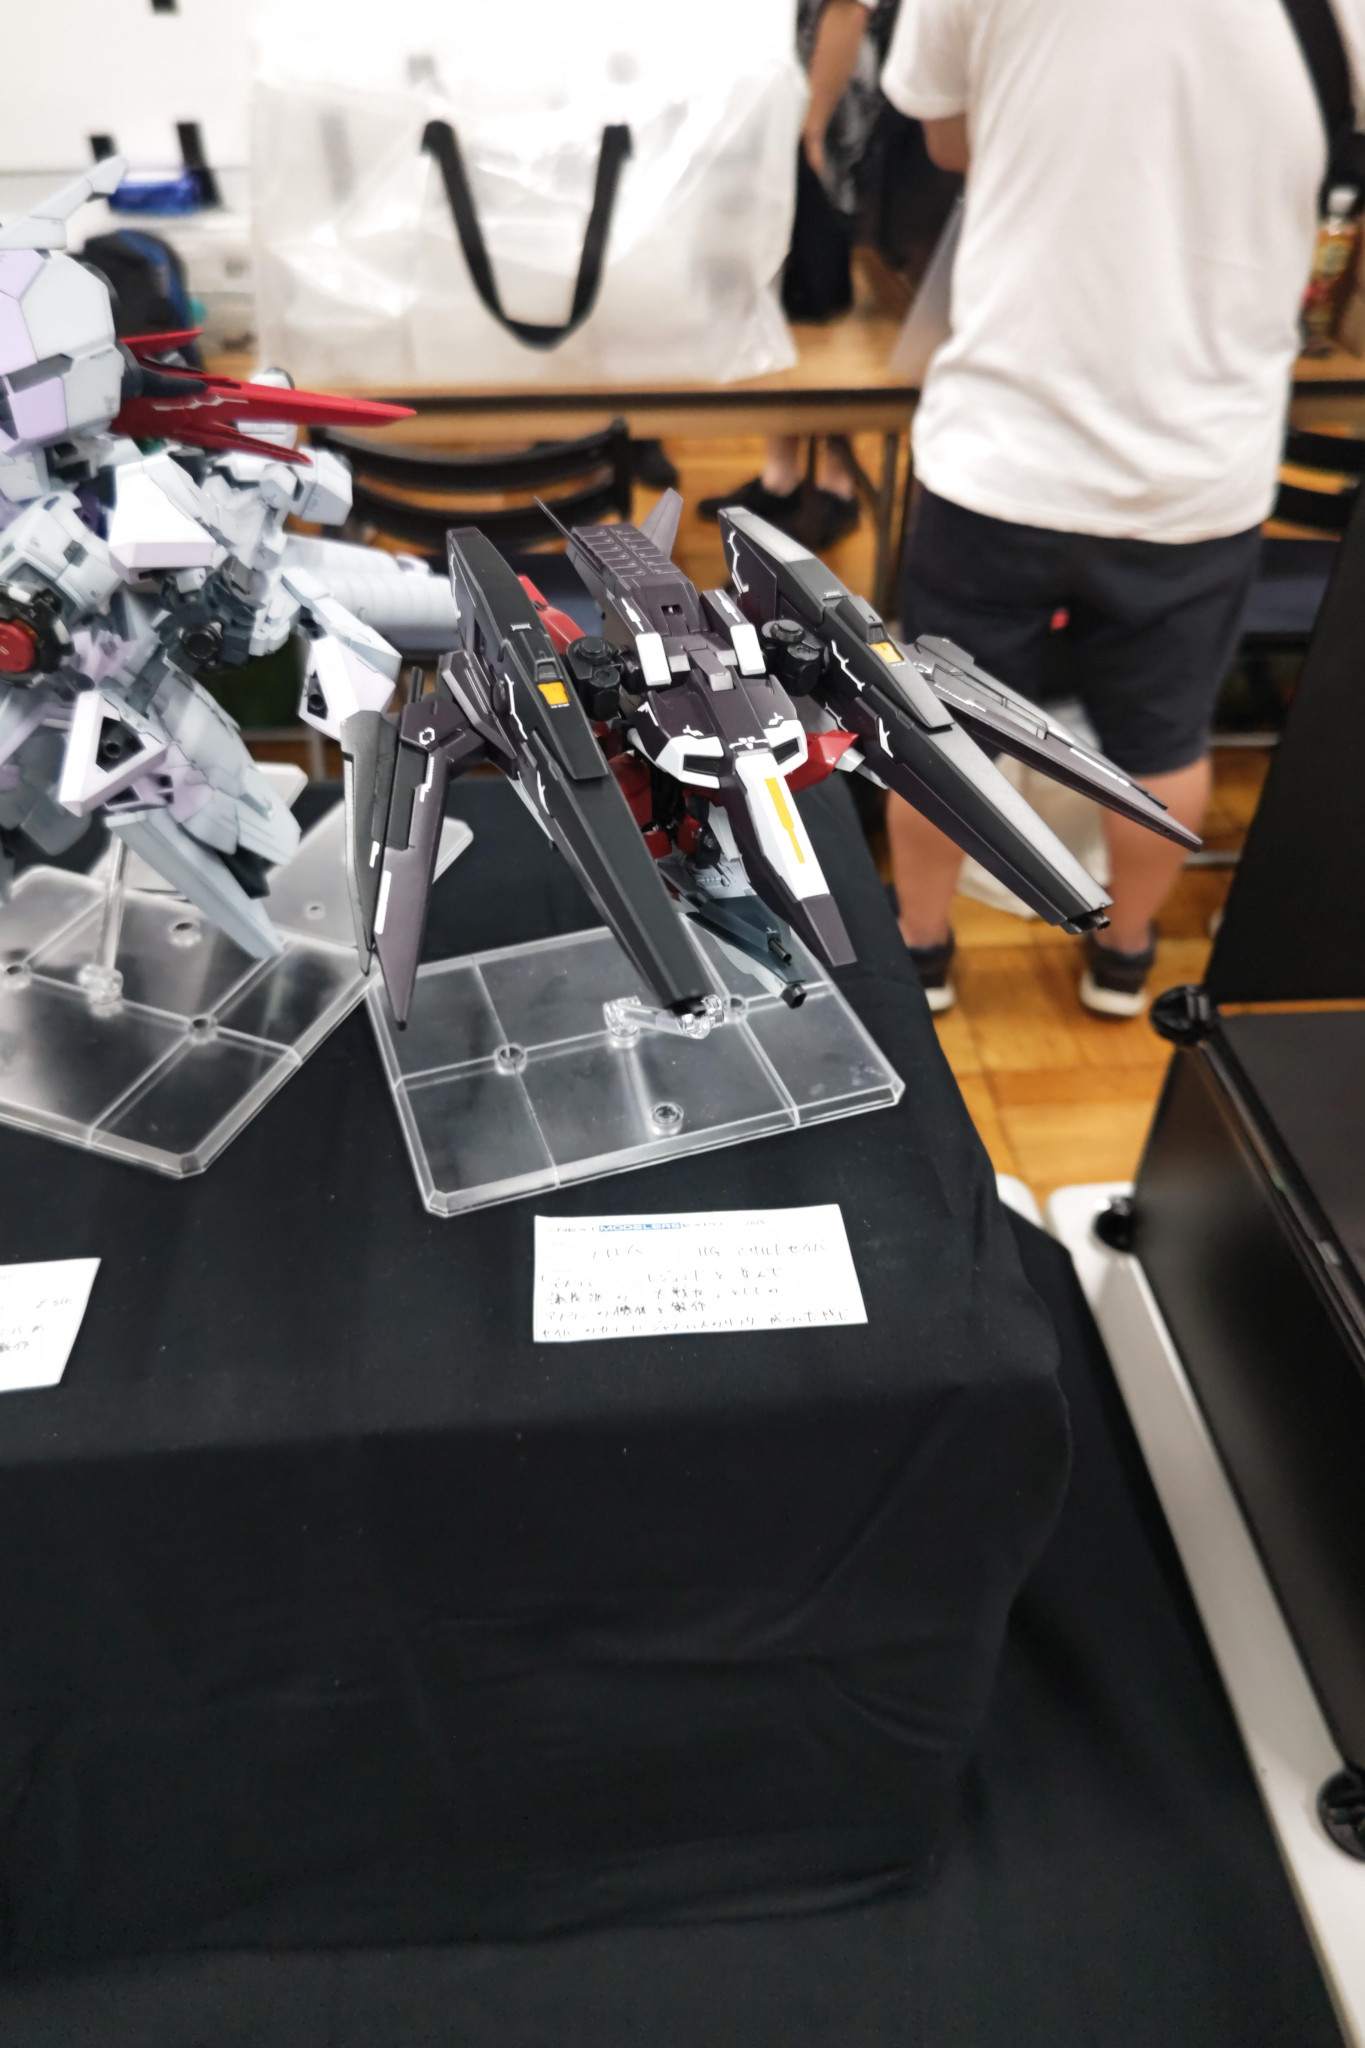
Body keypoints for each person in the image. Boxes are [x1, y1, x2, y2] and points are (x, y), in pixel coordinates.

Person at [880, 0, 1365, 1017]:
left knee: (940, 736)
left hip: (1003, 444)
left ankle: (919, 947)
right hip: (1197, 464)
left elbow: (945, 137)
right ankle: (1125, 955)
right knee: (1163, 741)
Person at [699, 0, 894, 549]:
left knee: (828, 304)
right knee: (782, 296)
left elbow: (847, 10)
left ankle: (836, 482)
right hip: (780, 114)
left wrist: (810, 128)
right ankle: (781, 476)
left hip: (822, 114)